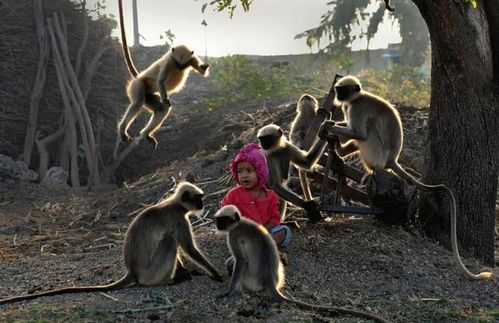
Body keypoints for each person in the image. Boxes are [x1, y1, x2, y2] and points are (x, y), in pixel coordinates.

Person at [221, 143, 292, 261]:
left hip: (265, 233)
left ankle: (255, 253)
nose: (244, 175)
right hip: (244, 236)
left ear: (260, 171)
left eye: (249, 170)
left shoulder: (270, 196)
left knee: (285, 231)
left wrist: (262, 230)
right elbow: (224, 212)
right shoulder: (234, 195)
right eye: (240, 171)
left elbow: (275, 219)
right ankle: (268, 253)